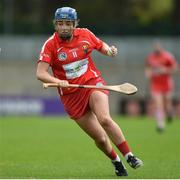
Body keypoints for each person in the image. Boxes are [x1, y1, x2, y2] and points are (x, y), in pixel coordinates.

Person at [36, 7, 143, 176]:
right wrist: (58, 82)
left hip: (92, 83)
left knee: (105, 119)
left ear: (75, 24)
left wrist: (109, 51)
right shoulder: (50, 45)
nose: (64, 27)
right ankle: (116, 160)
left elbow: (101, 46)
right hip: (71, 96)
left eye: (68, 23)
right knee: (100, 138)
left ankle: (129, 155)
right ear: (56, 25)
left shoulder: (85, 34)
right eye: (60, 23)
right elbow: (40, 73)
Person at [145, 42, 178, 132]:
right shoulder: (151, 57)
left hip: (166, 83)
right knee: (158, 104)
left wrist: (165, 70)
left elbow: (175, 68)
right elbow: (148, 68)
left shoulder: (168, 56)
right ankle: (160, 124)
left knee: (167, 102)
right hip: (156, 84)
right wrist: (148, 73)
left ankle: (170, 113)